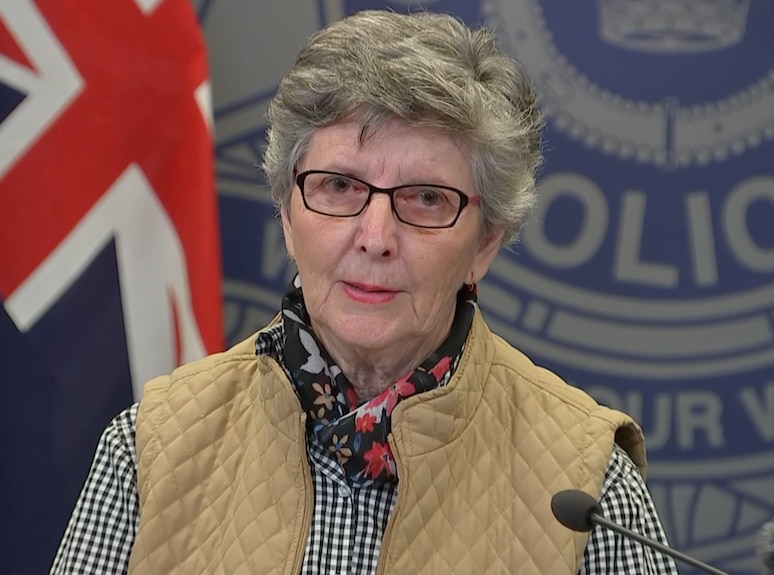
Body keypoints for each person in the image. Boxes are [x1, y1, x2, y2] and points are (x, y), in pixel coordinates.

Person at [50, 9, 678, 575]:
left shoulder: (589, 483)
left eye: (427, 198)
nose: (375, 237)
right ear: (287, 214)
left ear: (484, 244)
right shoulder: (150, 448)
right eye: (340, 187)